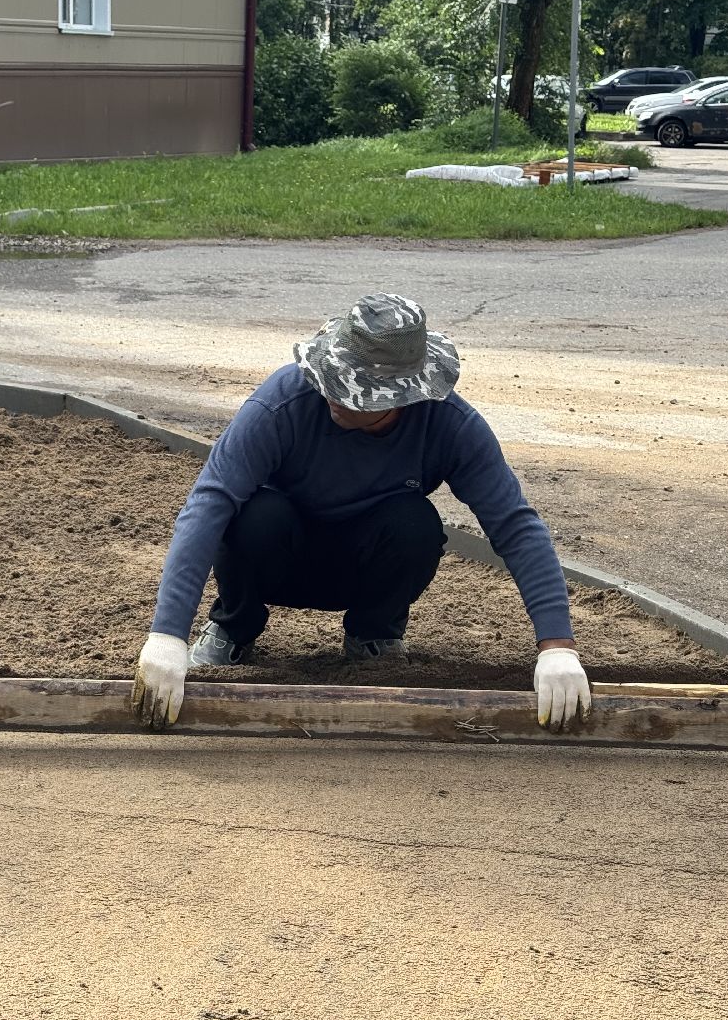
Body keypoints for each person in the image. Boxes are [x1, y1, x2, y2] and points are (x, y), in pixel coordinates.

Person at [131, 293, 591, 731]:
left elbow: (515, 526)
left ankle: (373, 636)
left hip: (365, 567)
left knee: (416, 523)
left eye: (351, 390)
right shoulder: (281, 404)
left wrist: (558, 648)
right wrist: (167, 636)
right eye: (331, 377)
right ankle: (234, 628)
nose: (332, 392)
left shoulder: (450, 425)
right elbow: (207, 504)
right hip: (273, 557)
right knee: (255, 513)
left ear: (400, 396)